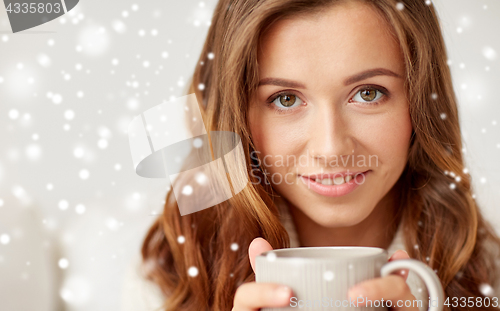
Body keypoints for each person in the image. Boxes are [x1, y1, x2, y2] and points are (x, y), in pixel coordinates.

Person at [124, 0, 500, 310]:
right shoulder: (172, 271)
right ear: (236, 118)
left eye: (368, 93)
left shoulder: (487, 275)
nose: (330, 148)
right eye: (285, 100)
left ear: (420, 104)